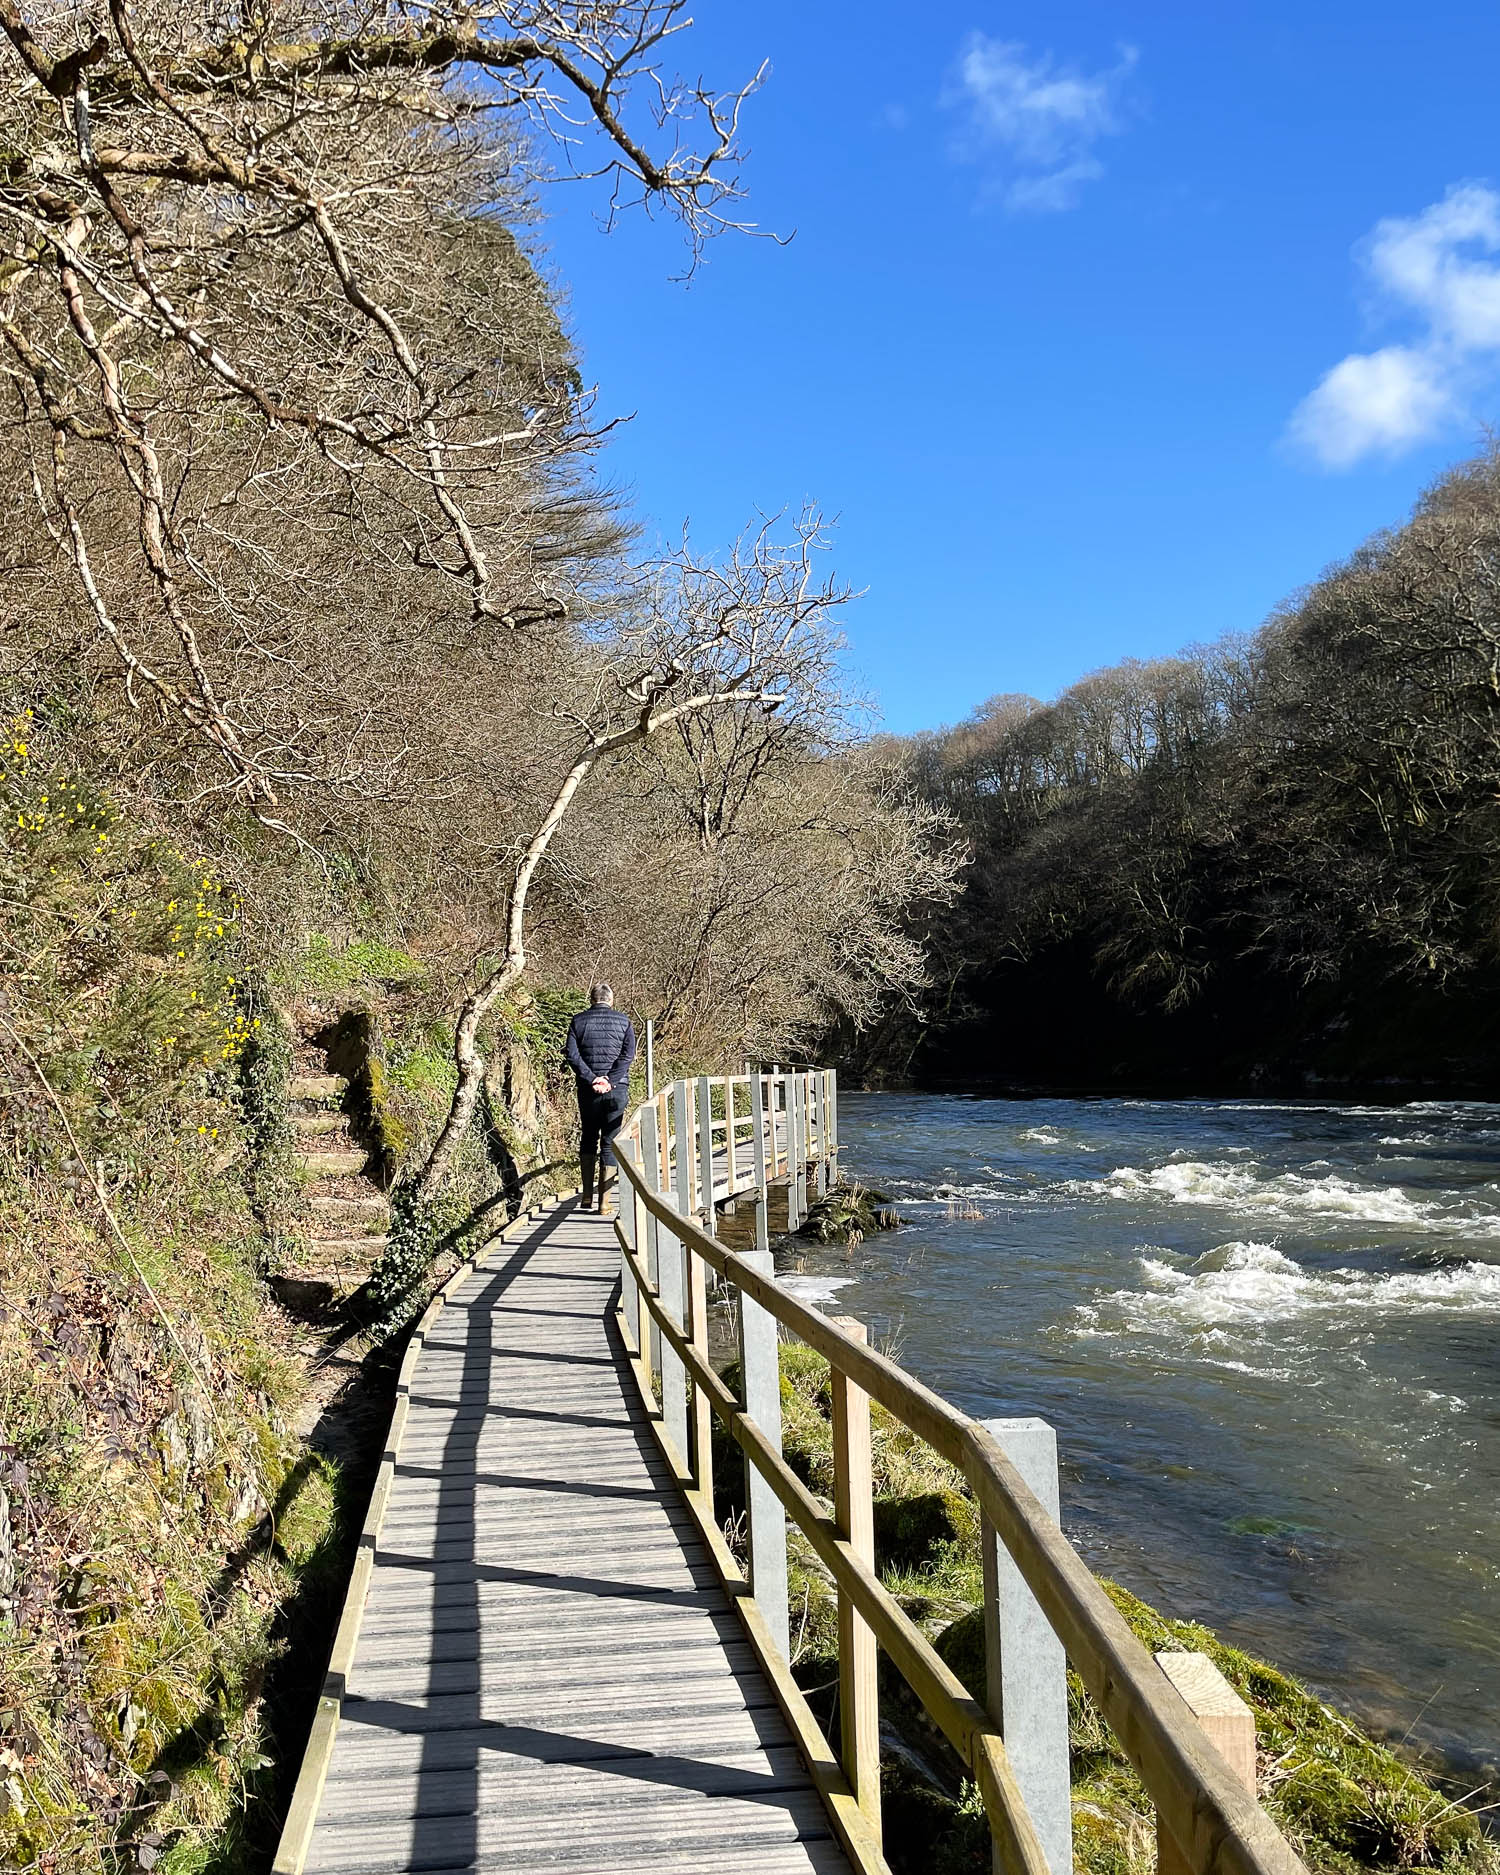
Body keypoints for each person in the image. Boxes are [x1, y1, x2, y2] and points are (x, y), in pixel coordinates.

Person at [564, 982, 637, 1213]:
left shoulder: (578, 1021)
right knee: (609, 1140)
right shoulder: (624, 1022)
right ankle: (604, 1203)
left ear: (591, 999)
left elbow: (572, 1055)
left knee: (588, 1137)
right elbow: (628, 1056)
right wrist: (610, 1080)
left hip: (588, 1090)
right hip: (616, 1090)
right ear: (611, 1000)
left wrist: (592, 1078)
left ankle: (586, 1196)